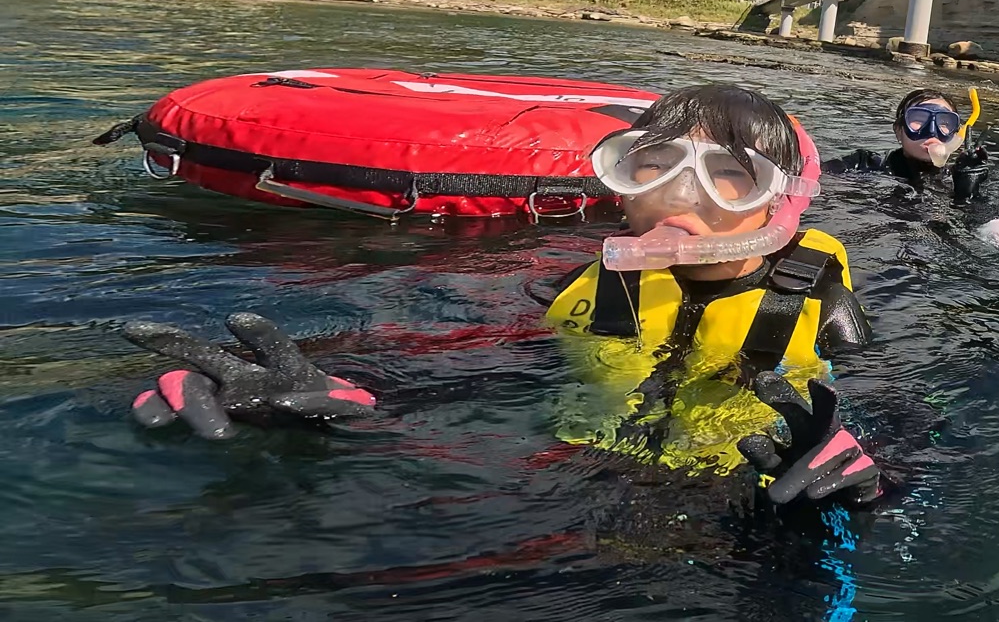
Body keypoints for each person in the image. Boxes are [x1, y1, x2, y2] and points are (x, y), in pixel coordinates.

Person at [122, 83, 885, 510]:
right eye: (649, 164)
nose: (677, 193)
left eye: (729, 173)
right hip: (573, 486)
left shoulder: (822, 302)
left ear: (782, 202)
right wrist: (345, 392)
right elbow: (493, 373)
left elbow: (894, 411)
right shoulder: (592, 284)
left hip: (746, 501)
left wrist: (870, 480)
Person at [829, 87, 999, 245]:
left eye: (944, 122)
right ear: (898, 131)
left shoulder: (966, 177)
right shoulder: (863, 164)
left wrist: (969, 195)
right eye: (918, 119)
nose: (932, 131)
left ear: (956, 134)